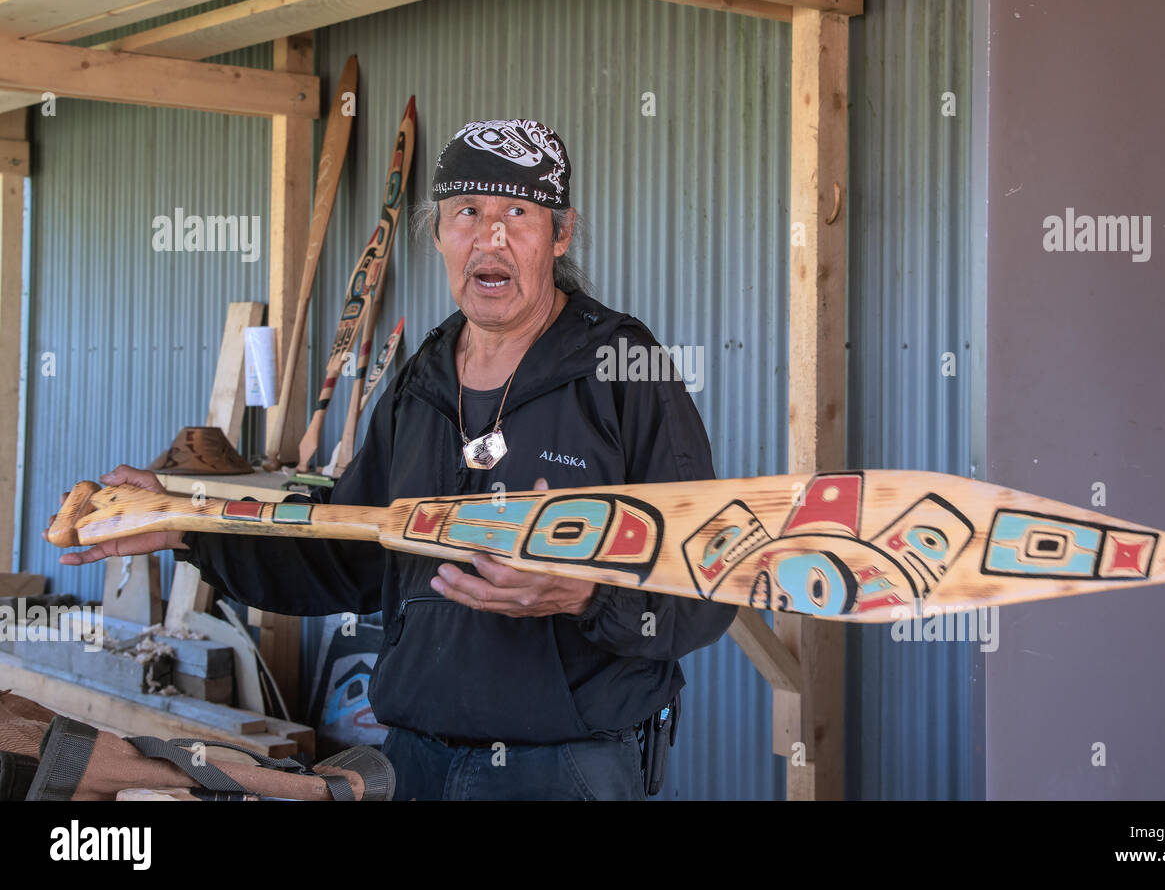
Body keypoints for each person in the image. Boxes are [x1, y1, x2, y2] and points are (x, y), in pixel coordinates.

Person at [49, 118, 736, 800]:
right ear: (438, 234)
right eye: (467, 211)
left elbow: (713, 577)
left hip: (570, 765)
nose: (488, 237)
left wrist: (587, 595)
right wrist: (189, 526)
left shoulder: (623, 368)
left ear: (560, 234)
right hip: (414, 758)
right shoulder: (421, 381)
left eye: (517, 213)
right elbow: (347, 558)